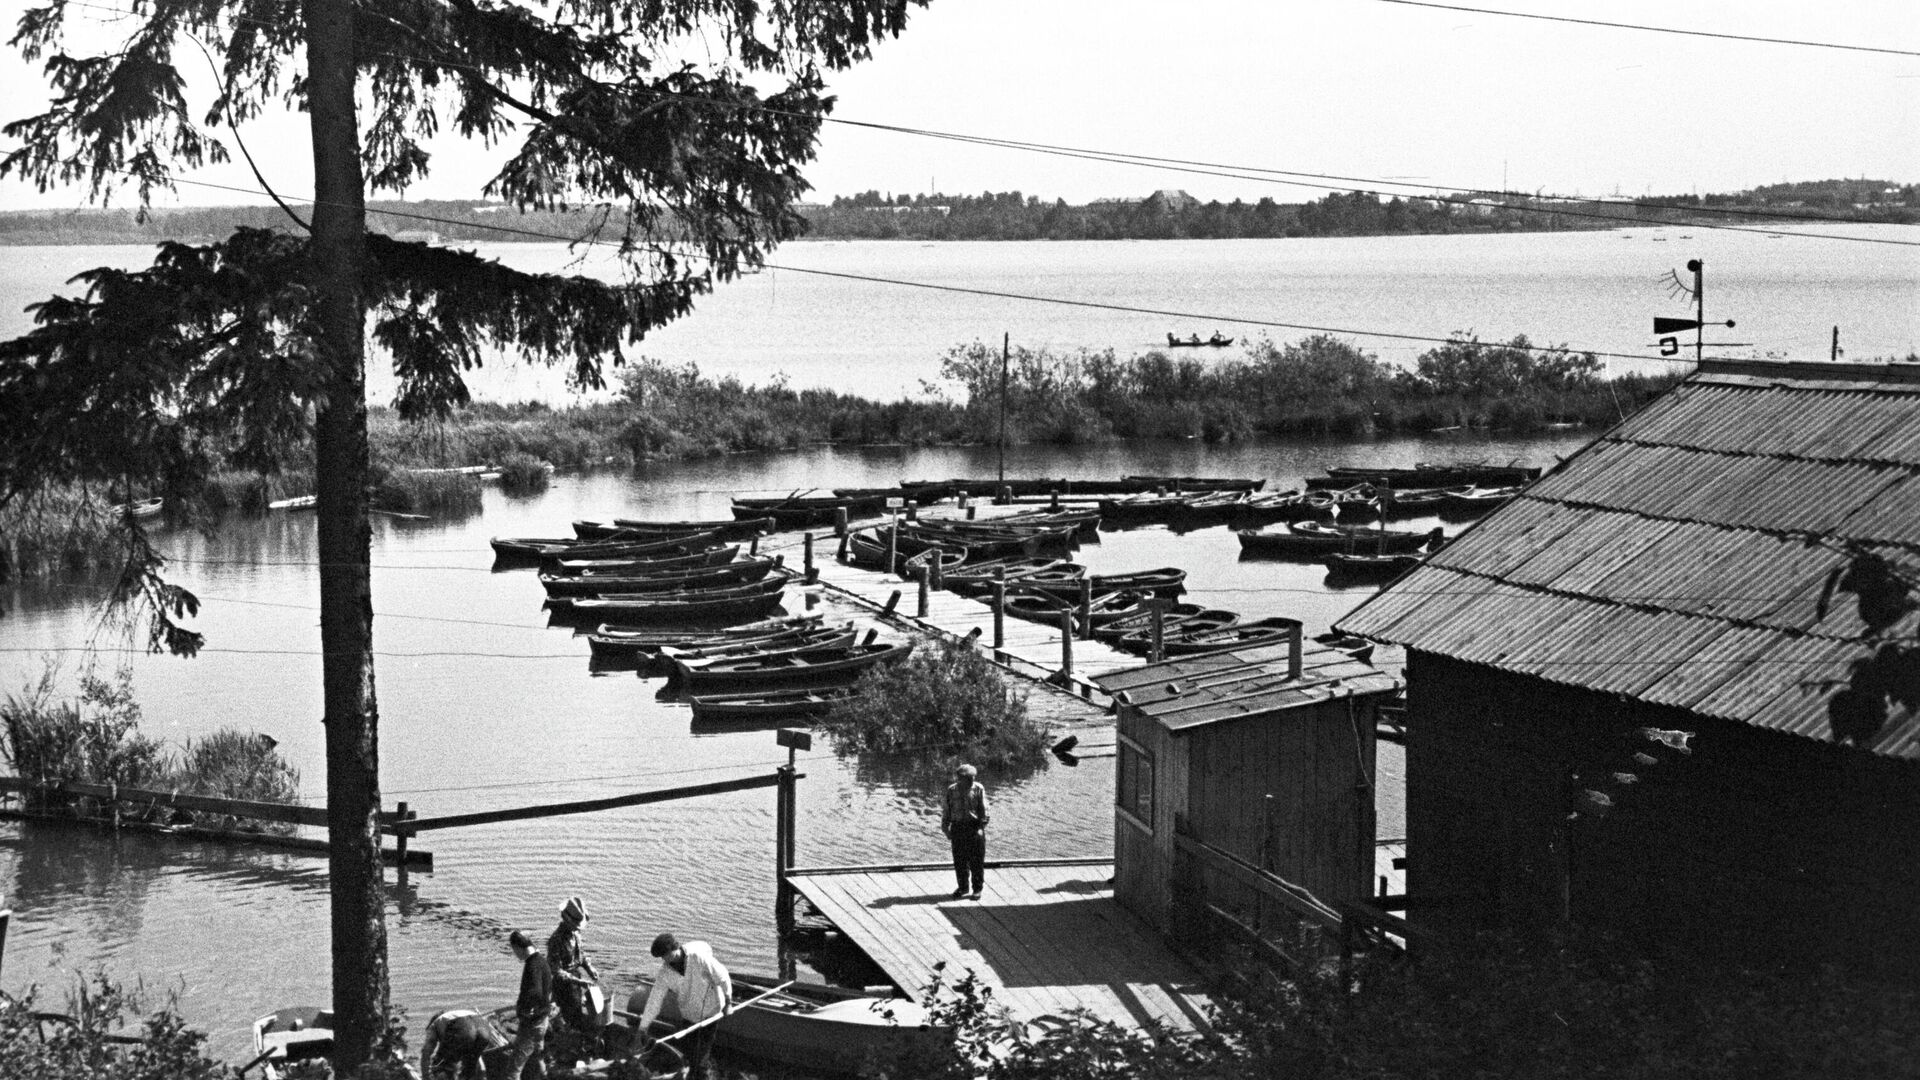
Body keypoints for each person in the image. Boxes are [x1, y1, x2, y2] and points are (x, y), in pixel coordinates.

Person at [636, 932, 732, 1080]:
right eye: (662, 957)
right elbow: (655, 1000)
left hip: (710, 1014)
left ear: (675, 948)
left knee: (700, 1060)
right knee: (689, 1055)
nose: (664, 960)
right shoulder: (665, 973)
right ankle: (700, 1071)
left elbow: (723, 977)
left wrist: (728, 1001)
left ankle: (704, 1073)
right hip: (689, 1015)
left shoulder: (698, 958)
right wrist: (643, 1027)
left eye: (665, 955)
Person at [546, 896, 603, 1041]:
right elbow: (556, 970)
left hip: (575, 981)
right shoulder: (556, 940)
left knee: (577, 1013)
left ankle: (577, 1040)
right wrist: (578, 982)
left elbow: (581, 955)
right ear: (566, 920)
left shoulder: (576, 934)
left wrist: (589, 968)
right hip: (562, 986)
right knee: (567, 1018)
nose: (577, 928)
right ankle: (565, 1043)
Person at [505, 929, 553, 1080]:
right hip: (543, 1020)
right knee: (537, 1057)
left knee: (513, 1070)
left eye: (514, 950)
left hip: (531, 1024)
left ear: (518, 947)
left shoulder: (532, 965)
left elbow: (535, 992)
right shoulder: (542, 961)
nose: (515, 954)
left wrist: (526, 1011)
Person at [942, 763, 989, 900]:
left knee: (977, 861)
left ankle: (977, 889)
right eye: (968, 778)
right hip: (958, 828)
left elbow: (985, 810)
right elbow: (946, 811)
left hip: (974, 827)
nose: (972, 780)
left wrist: (981, 827)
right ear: (960, 778)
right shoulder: (951, 790)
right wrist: (946, 829)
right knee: (960, 861)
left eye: (973, 777)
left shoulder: (978, 789)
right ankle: (963, 887)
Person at [419, 1008, 509, 1080]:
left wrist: (425, 1076)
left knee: (442, 1065)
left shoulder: (434, 1025)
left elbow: (426, 1053)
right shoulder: (451, 1017)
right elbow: (479, 1063)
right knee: (470, 1066)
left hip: (463, 1029)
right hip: (484, 1028)